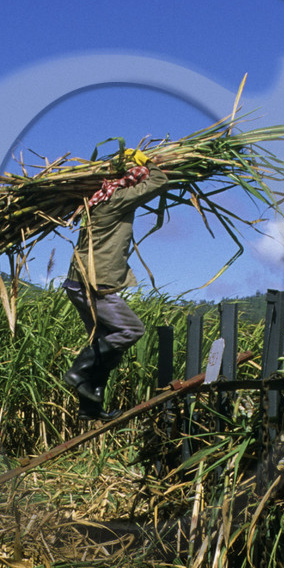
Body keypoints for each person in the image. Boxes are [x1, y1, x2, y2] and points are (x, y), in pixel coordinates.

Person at [63, 147, 171, 419]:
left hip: (78, 283)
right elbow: (159, 181)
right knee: (131, 330)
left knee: (108, 344)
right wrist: (147, 162)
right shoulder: (117, 198)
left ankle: (90, 406)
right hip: (96, 284)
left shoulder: (95, 202)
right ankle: (77, 372)